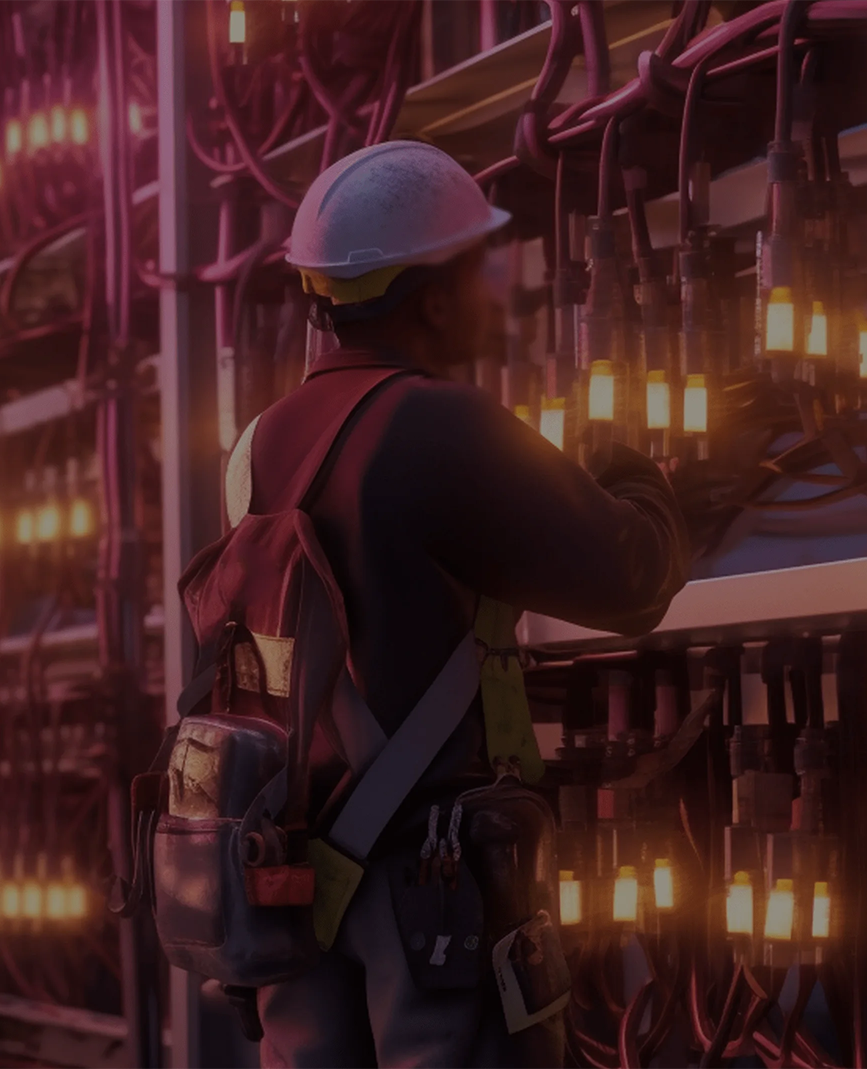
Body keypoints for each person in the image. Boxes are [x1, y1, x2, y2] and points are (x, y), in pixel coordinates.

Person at [238, 139, 689, 1069]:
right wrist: (632, 463)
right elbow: (633, 578)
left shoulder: (257, 444)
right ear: (434, 295)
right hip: (430, 897)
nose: (495, 290)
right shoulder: (439, 424)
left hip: (295, 891)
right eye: (479, 268)